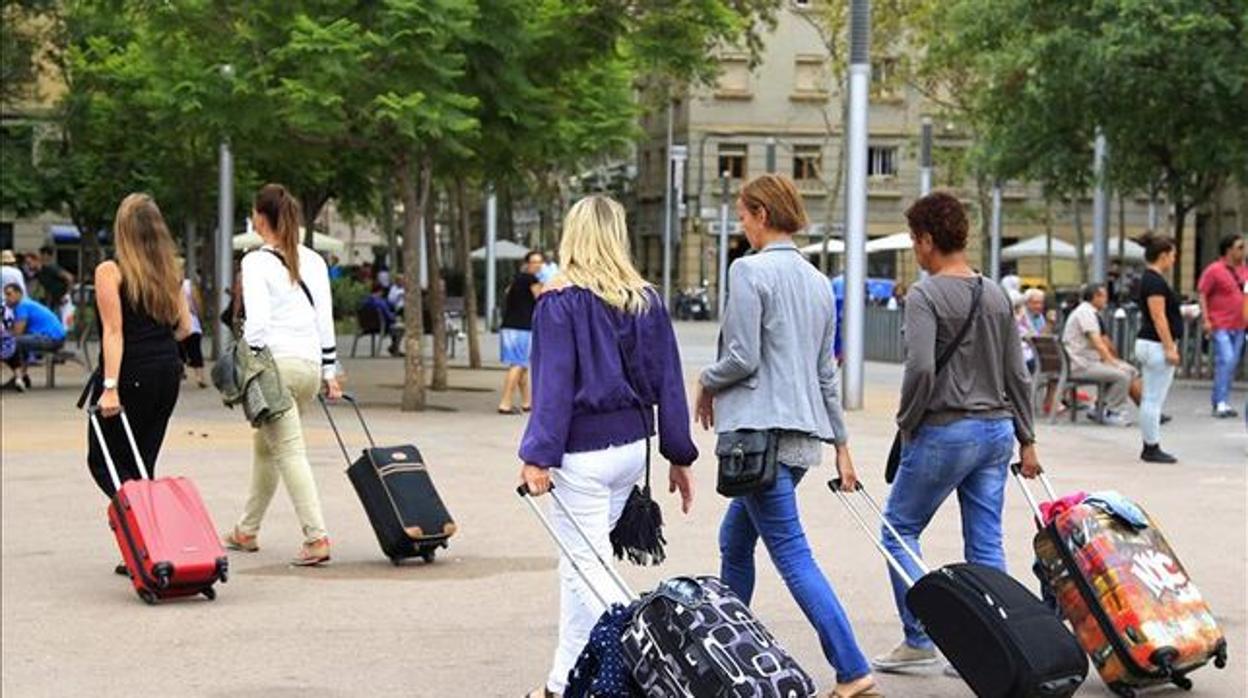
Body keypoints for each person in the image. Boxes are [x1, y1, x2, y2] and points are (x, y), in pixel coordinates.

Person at [696, 174, 879, 698]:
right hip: (799, 445)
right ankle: (728, 652)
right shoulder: (819, 281)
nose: (741, 224)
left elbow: (742, 357)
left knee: (793, 556)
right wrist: (841, 446)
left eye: (743, 214)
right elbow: (827, 373)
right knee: (734, 541)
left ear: (761, 214)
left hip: (758, 441)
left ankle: (852, 669)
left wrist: (704, 381)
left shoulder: (749, 271)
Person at [518, 195, 696, 698]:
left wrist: (537, 455)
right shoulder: (646, 300)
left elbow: (553, 387)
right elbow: (671, 382)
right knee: (581, 564)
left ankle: (653, 651)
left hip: (582, 453)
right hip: (632, 449)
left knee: (585, 567)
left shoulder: (557, 303)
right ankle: (561, 684)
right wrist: (678, 454)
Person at [873, 191, 1041, 675]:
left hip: (946, 430)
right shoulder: (994, 293)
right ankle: (998, 644)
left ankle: (919, 635)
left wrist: (906, 421)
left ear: (927, 239)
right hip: (997, 433)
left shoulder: (925, 295)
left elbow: (921, 368)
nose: (913, 249)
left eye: (913, 239)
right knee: (986, 542)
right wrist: (1027, 439)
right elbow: (1018, 373)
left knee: (898, 530)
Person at [222, 183, 342, 567]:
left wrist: (250, 357)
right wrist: (329, 369)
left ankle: (316, 536)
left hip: (276, 367)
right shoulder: (315, 260)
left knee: (288, 451)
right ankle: (246, 530)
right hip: (307, 367)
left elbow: (257, 323)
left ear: (260, 217)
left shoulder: (255, 262)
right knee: (268, 447)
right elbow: (324, 319)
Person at [83, 193, 193, 566]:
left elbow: (114, 332)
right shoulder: (170, 271)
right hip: (166, 373)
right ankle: (147, 542)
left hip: (131, 376)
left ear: (122, 230)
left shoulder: (110, 271)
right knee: (142, 463)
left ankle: (141, 534)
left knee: (104, 461)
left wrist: (110, 388)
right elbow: (185, 328)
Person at [1061, 283, 1142, 426]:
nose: (1106, 300)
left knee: (1129, 370)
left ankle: (1100, 406)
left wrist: (1112, 362)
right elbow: (1098, 342)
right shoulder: (1085, 313)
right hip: (1081, 365)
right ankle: (1113, 411)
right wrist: (1112, 361)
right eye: (1104, 296)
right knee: (1123, 374)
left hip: (1081, 362)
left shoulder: (1085, 311)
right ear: (1095, 297)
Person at [1135, 236, 1183, 463]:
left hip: (1149, 342)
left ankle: (1151, 444)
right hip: (1156, 344)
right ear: (1163, 255)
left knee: (1151, 398)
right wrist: (1169, 347)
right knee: (1153, 399)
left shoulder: (1150, 279)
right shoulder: (1154, 281)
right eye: (1173, 255)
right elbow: (1158, 316)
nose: (1174, 259)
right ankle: (1151, 446)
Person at [1197, 234, 1246, 419]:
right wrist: (1206, 319)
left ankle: (1221, 399)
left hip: (1240, 324)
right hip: (1221, 323)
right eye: (1239, 247)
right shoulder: (1214, 270)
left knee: (1230, 363)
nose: (1243, 251)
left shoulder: (1244, 271)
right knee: (1226, 359)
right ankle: (1220, 402)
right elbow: (1202, 293)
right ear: (1229, 250)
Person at [498, 250, 544, 414]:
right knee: (518, 364)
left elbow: (507, 293)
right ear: (527, 264)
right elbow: (541, 300)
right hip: (522, 328)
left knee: (522, 365)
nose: (537, 265)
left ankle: (527, 402)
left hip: (509, 326)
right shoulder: (532, 280)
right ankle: (505, 403)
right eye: (534, 262)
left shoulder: (516, 279)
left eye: (540, 262)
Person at [3, 283, 67, 391]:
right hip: (54, 337)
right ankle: (21, 377)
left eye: (9, 294)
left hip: (51, 338)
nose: (6, 298)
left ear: (19, 294)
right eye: (5, 295)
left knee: (13, 342)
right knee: (18, 342)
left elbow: (18, 332)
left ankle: (20, 377)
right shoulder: (26, 304)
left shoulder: (22, 306)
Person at [179, 273, 207, 388]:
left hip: (176, 324)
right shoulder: (189, 285)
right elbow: (198, 303)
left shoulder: (165, 284)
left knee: (178, 350)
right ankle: (199, 377)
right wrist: (200, 317)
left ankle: (180, 372)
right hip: (192, 323)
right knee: (195, 351)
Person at [360, 283, 402, 356]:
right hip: (380, 326)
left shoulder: (364, 302)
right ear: (380, 292)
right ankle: (395, 348)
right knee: (399, 328)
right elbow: (388, 316)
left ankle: (394, 348)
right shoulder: (380, 303)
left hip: (365, 326)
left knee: (394, 327)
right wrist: (395, 318)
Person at [33, 245, 74, 310]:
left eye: (41, 254)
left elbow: (69, 278)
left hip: (62, 299)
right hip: (52, 300)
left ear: (46, 255)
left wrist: (67, 295)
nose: (39, 257)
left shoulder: (52, 268)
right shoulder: (41, 270)